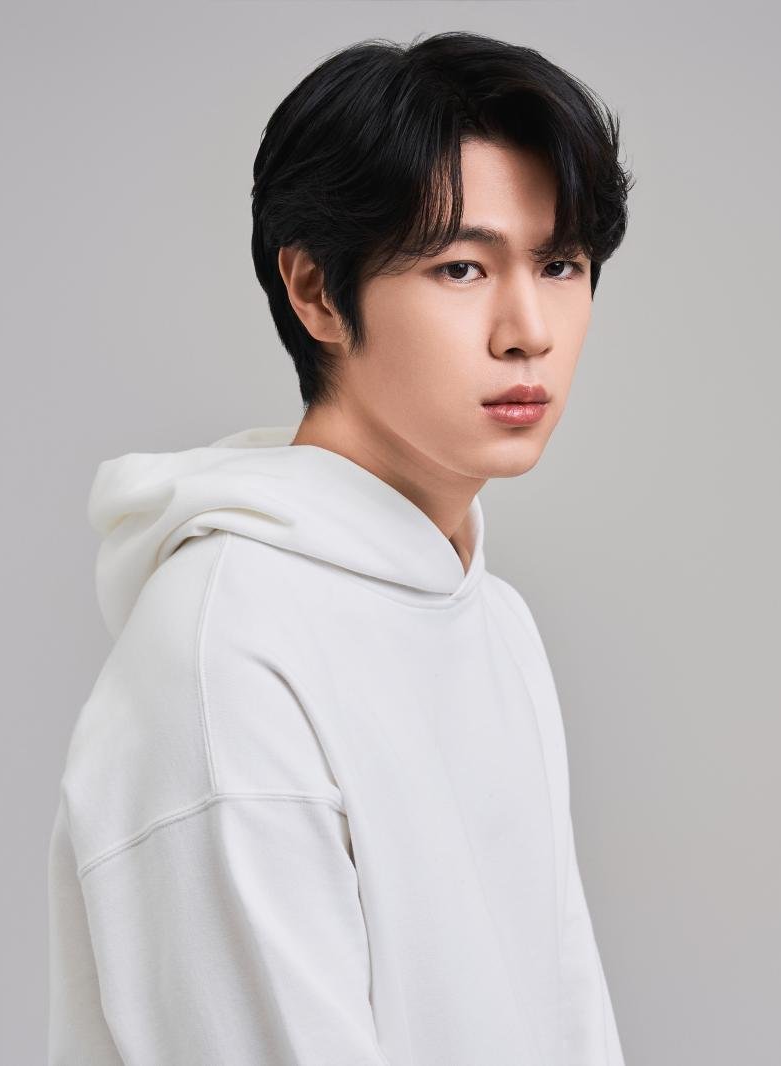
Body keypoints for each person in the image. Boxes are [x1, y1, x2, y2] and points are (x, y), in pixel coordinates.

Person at [48, 29, 634, 1065]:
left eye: (560, 265)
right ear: (316, 290)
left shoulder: (493, 619)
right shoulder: (228, 655)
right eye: (461, 267)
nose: (528, 329)